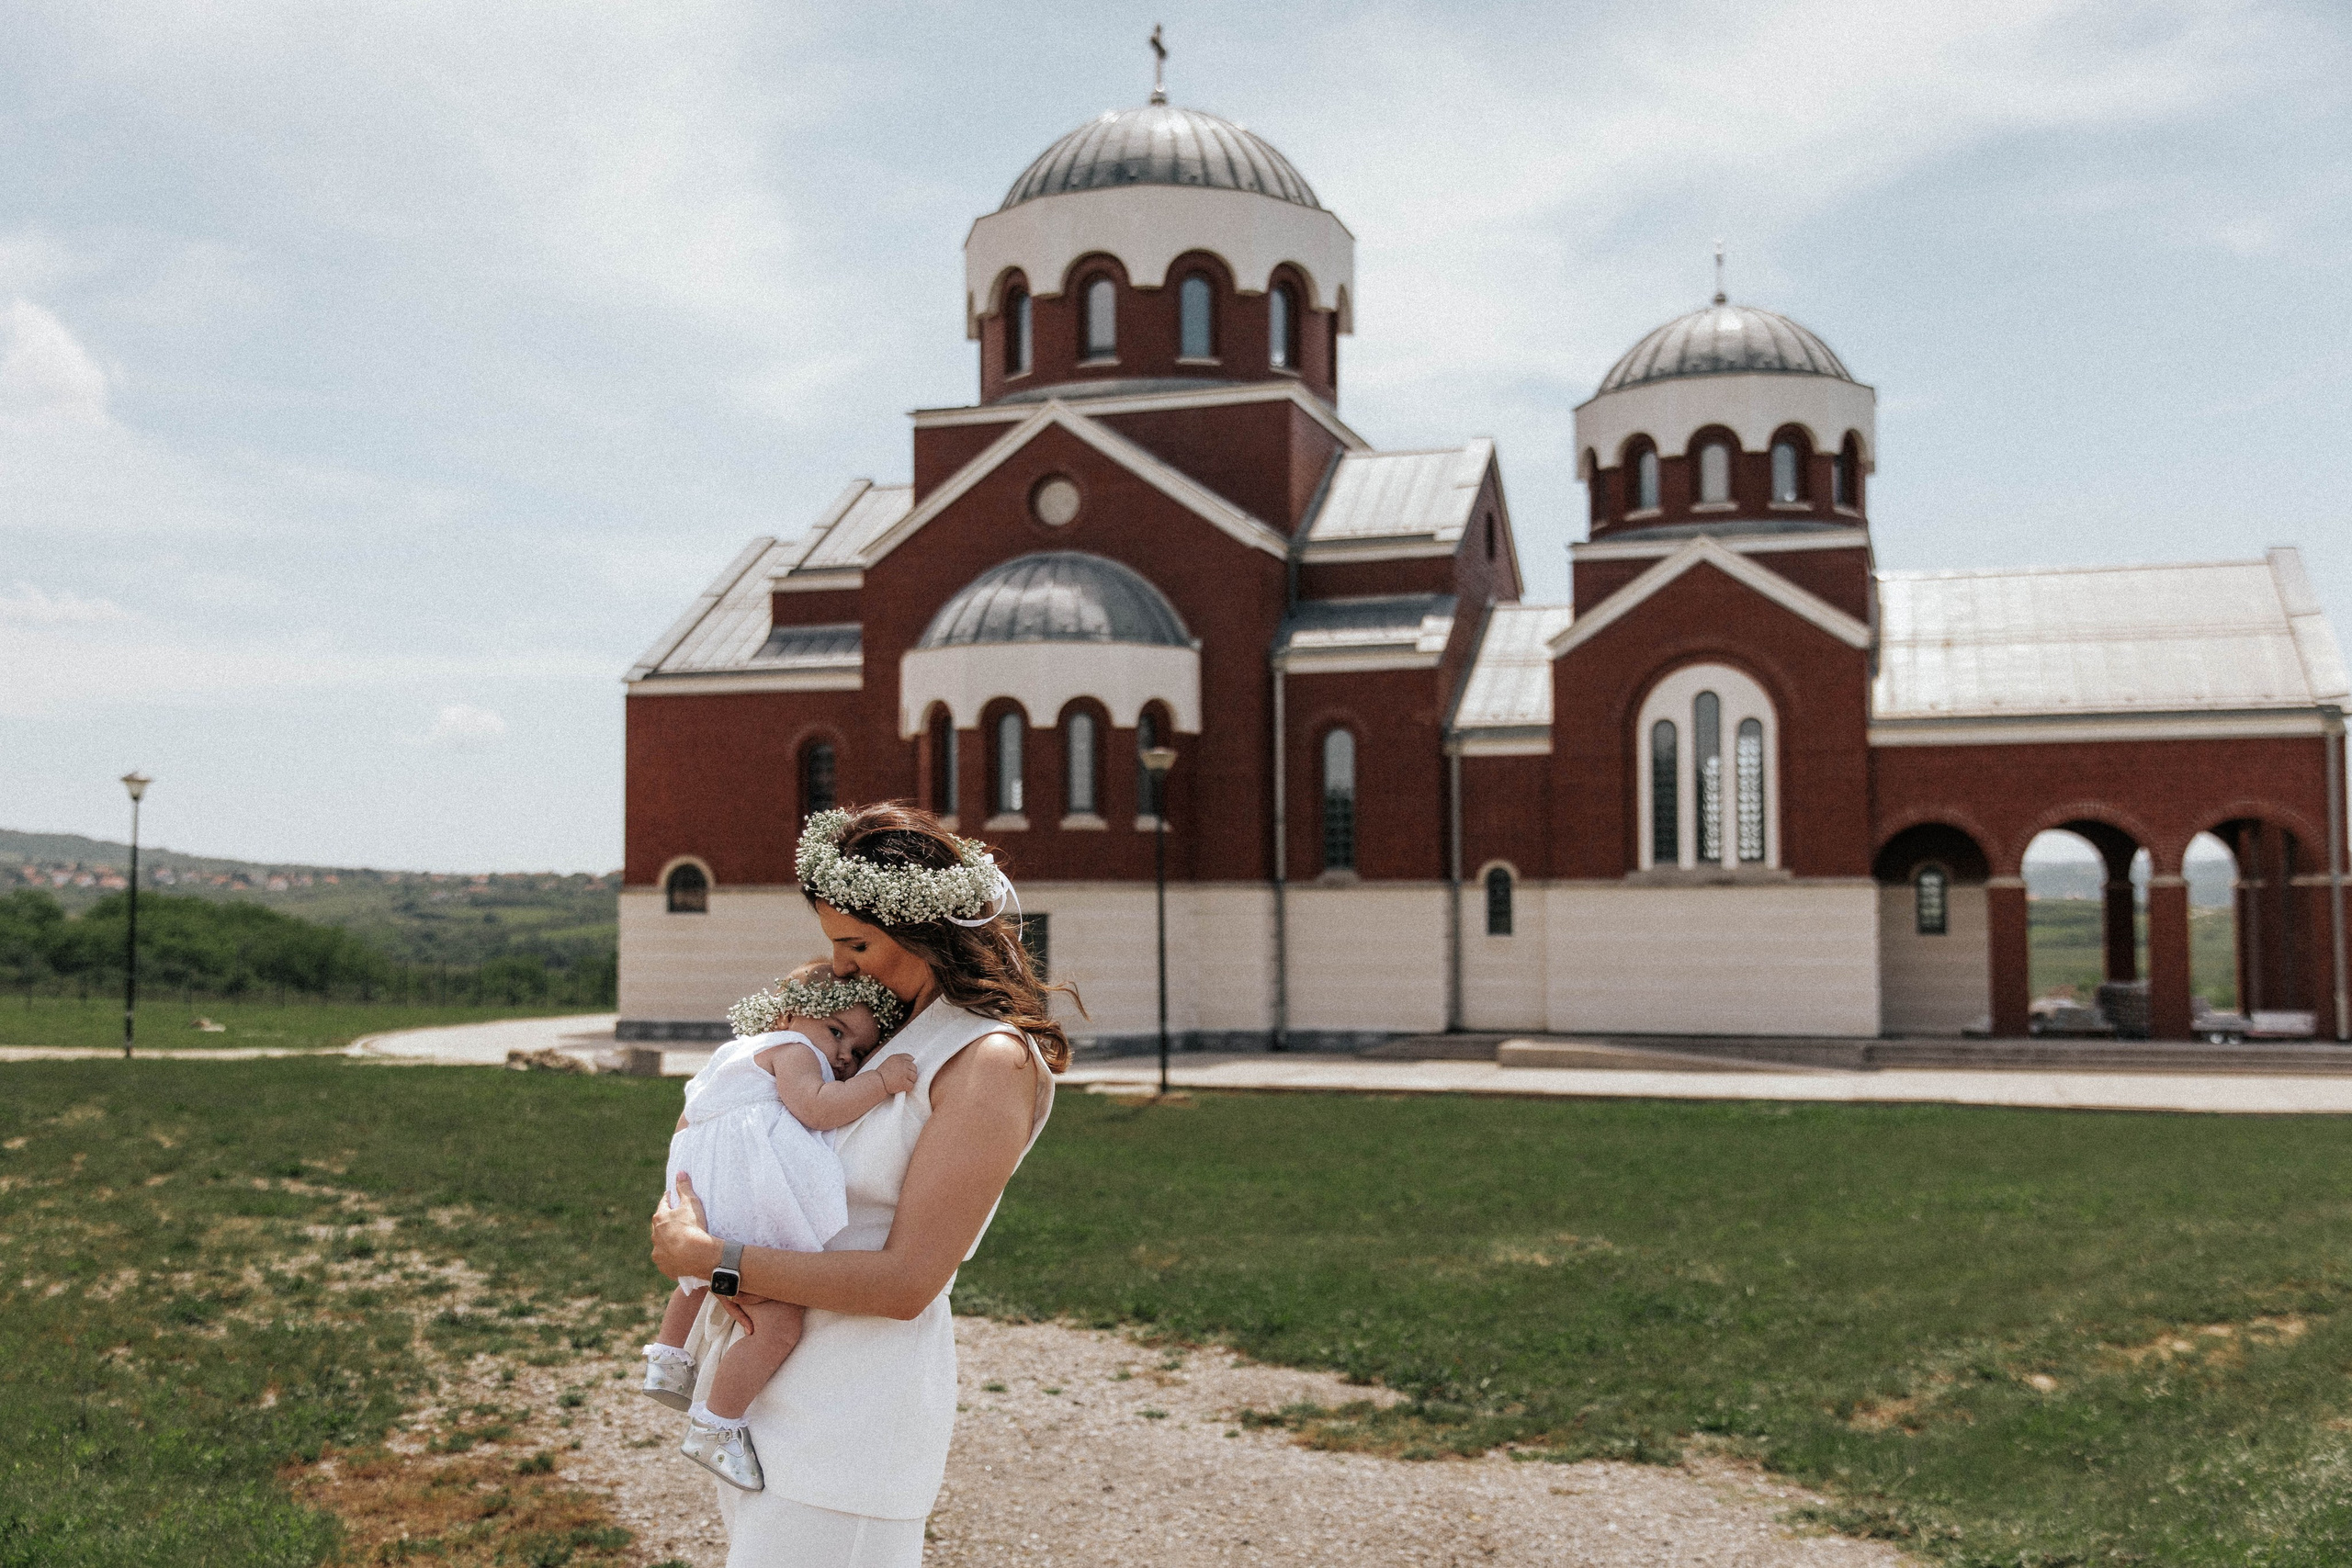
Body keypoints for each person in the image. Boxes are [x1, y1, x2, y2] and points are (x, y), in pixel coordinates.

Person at [650, 803, 1070, 1567]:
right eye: (834, 944)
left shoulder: (987, 1061)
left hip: (852, 1417)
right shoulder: (872, 1037)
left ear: (923, 928)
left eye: (857, 943)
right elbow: (748, 1129)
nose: (840, 966)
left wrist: (718, 1259)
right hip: (764, 1397)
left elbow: (908, 1280)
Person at [642, 960, 918, 1491]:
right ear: (791, 1015)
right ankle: (716, 1424)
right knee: (778, 1324)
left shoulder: (733, 1054)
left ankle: (670, 1360)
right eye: (836, 1031)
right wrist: (879, 1081)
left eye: (860, 1052)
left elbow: (689, 1117)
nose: (844, 1054)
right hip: (751, 1190)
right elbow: (817, 1109)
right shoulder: (794, 1050)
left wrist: (680, 1186)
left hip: (708, 1182)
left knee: (696, 1277)